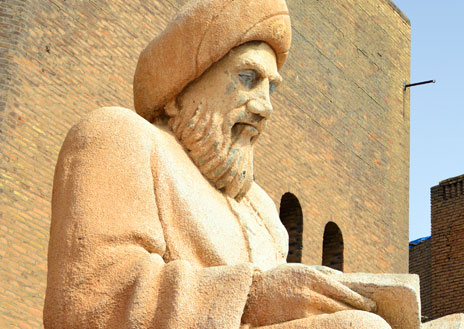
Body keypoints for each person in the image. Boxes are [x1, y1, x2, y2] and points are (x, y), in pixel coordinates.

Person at [43, 1, 390, 328]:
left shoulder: (261, 210)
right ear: (182, 87)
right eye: (248, 78)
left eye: (272, 88)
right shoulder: (119, 136)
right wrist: (255, 296)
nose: (265, 107)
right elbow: (89, 298)